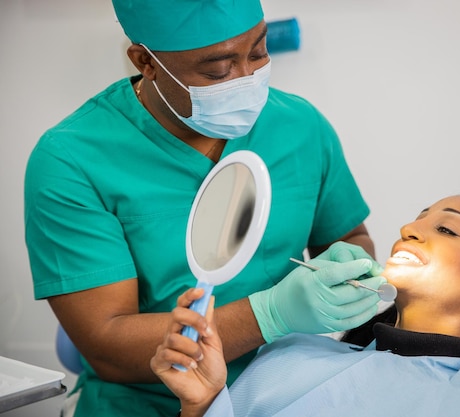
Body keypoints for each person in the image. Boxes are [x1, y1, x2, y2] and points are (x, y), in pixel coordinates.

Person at [23, 1, 385, 416]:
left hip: (292, 393)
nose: (248, 78)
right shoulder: (72, 159)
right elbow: (107, 345)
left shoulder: (300, 124)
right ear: (147, 62)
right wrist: (270, 314)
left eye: (259, 51)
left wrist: (353, 265)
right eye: (218, 70)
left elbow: (348, 236)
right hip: (149, 403)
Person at [152, 193, 460, 417]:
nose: (409, 228)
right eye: (417, 218)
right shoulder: (290, 356)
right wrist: (203, 404)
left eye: (446, 228)